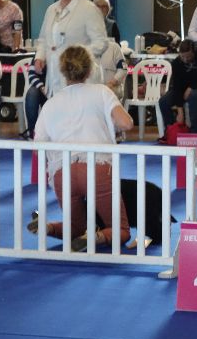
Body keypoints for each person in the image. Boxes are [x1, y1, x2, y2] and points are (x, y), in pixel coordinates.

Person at [30, 45, 133, 250]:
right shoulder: (102, 92)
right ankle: (95, 237)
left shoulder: (51, 102)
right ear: (89, 70)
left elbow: (37, 146)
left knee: (74, 227)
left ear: (62, 71)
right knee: (120, 231)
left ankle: (48, 227)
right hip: (97, 167)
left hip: (62, 172)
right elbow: (126, 123)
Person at [27, 0, 109, 137]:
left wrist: (78, 56)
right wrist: (40, 57)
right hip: (55, 76)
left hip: (82, 77)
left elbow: (101, 43)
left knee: (81, 125)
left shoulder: (89, 10)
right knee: (59, 123)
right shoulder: (51, 10)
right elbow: (43, 39)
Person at [158, 39, 197, 136]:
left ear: (194, 52)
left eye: (188, 56)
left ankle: (195, 131)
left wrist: (192, 87)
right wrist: (180, 111)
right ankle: (171, 130)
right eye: (183, 56)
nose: (186, 59)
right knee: (163, 101)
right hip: (182, 89)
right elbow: (177, 86)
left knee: (193, 95)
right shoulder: (176, 63)